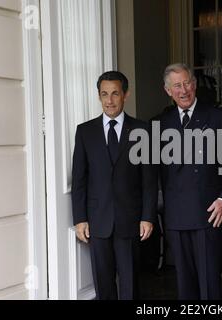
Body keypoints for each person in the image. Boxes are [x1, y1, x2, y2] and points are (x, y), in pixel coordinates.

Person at [71, 71, 157, 300]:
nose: (109, 100)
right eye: (104, 94)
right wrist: (79, 219)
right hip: (97, 222)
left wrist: (147, 216)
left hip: (130, 220)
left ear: (125, 95)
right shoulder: (85, 131)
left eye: (115, 94)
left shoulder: (143, 130)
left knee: (130, 284)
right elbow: (79, 179)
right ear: (99, 96)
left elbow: (149, 179)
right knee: (103, 284)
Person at [156, 63, 222, 300]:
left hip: (210, 214)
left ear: (195, 84)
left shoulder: (218, 117)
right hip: (176, 216)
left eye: (187, 82)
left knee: (210, 286)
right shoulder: (159, 124)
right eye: (177, 85)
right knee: (185, 286)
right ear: (168, 91)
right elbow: (155, 173)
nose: (184, 90)